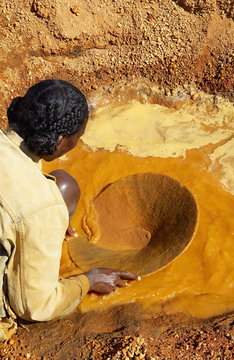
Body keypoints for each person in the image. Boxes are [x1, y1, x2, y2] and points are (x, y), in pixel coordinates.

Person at [0, 79, 139, 340]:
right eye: (79, 136)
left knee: (64, 184)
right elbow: (35, 306)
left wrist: (44, 214)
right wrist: (87, 280)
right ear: (62, 139)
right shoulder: (40, 207)